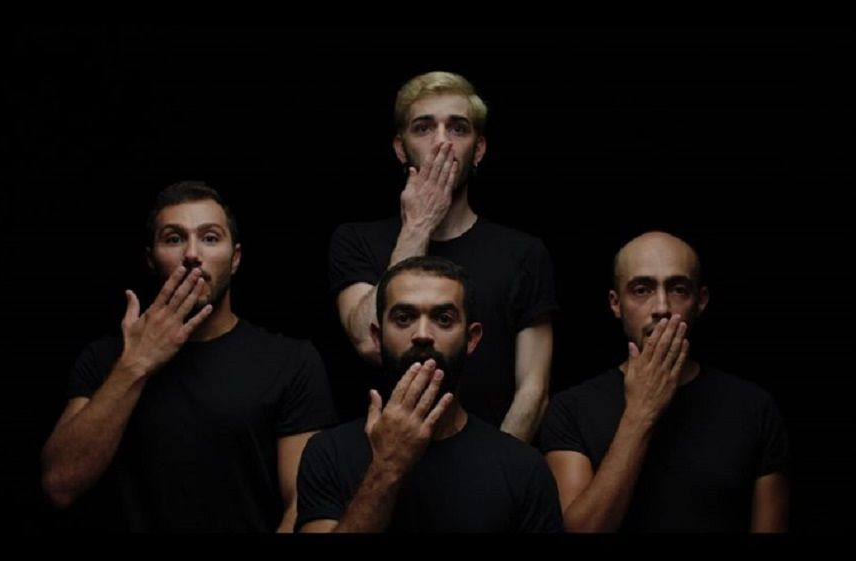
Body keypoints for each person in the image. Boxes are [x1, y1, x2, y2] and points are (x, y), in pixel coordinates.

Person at [41, 180, 338, 531]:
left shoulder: (291, 361)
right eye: (174, 239)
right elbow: (59, 484)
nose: (192, 254)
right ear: (151, 259)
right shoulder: (105, 358)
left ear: (235, 258)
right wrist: (136, 363)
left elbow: (303, 505)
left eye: (210, 238)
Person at [329, 71, 556, 442]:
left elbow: (533, 389)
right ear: (400, 148)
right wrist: (418, 226)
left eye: (457, 128)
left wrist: (496, 467)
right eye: (423, 128)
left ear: (478, 149)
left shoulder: (524, 253)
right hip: (381, 458)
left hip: (492, 458)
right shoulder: (355, 240)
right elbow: (369, 341)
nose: (441, 142)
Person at [541, 231, 790, 532]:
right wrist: (641, 412)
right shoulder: (570, 410)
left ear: (701, 301)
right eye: (641, 290)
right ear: (615, 303)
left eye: (678, 289)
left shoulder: (755, 408)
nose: (661, 307)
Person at [297, 256, 562, 532]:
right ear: (377, 337)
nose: (422, 334)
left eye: (443, 319)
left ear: (471, 339)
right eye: (403, 318)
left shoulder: (523, 468)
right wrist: (386, 466)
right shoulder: (328, 453)